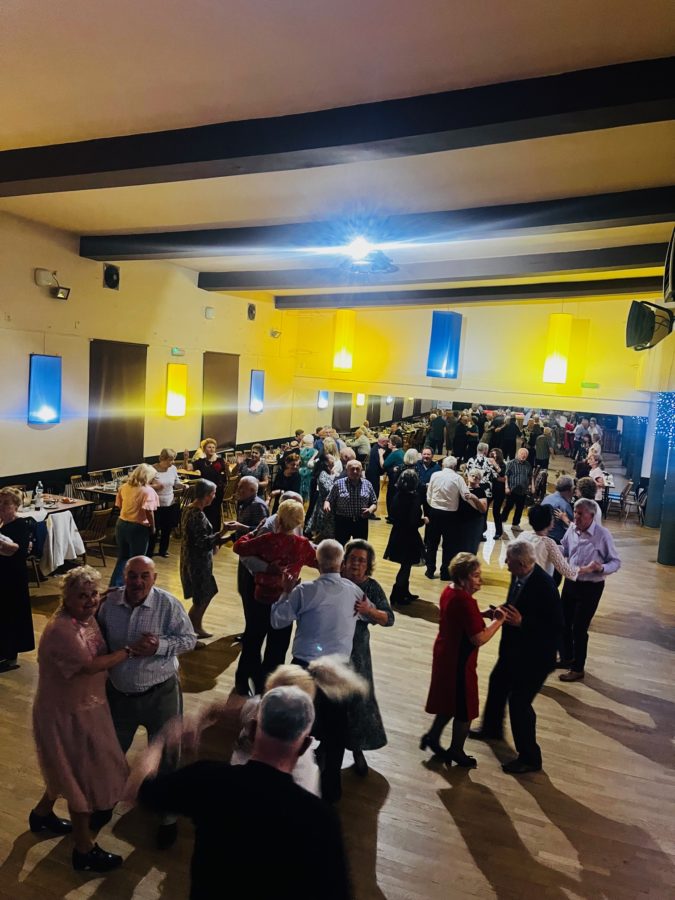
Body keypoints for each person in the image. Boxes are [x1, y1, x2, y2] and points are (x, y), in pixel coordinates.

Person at [130, 687, 353, 900]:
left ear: (253, 730)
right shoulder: (321, 819)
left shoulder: (209, 779)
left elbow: (140, 790)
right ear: (305, 746)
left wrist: (159, 743)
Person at [30, 566, 137, 872]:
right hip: (64, 714)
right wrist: (130, 651)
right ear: (66, 598)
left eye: (93, 594)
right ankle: (83, 850)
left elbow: (97, 601)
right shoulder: (62, 630)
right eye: (82, 596)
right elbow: (91, 665)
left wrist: (107, 594)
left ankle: (41, 815)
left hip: (87, 706)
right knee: (82, 777)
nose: (90, 601)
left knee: (64, 769)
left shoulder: (85, 615)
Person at [97, 555, 196, 848]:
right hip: (119, 695)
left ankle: (167, 817)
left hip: (161, 694)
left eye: (144, 576)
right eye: (132, 575)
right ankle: (105, 802)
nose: (138, 582)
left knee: (167, 756)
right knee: (112, 753)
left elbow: (189, 640)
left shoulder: (168, 604)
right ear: (124, 576)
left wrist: (159, 646)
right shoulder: (109, 604)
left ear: (154, 579)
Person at [270, 539, 364, 801]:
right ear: (341, 563)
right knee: (335, 732)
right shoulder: (355, 592)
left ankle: (292, 782)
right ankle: (331, 790)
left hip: (304, 668)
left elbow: (277, 621)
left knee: (297, 726)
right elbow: (365, 614)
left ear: (317, 562)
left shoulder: (305, 591)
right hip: (338, 670)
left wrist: (285, 592)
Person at [470, 542, 563, 774]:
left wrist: (523, 622)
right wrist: (500, 611)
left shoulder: (545, 586)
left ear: (521, 564)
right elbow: (516, 603)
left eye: (508, 560)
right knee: (497, 682)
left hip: (536, 657)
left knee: (519, 703)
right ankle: (491, 728)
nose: (505, 563)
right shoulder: (520, 574)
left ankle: (530, 757)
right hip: (514, 650)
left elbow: (555, 627)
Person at [422, 553, 505, 766]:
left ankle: (433, 736)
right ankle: (456, 750)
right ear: (462, 578)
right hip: (459, 660)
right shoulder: (465, 601)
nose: (480, 580)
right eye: (475, 576)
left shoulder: (449, 591)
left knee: (449, 701)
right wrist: (498, 621)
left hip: (446, 653)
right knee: (465, 708)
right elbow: (479, 638)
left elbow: (459, 617)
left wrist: (481, 614)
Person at [234, 499, 318, 693]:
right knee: (277, 648)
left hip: (260, 599)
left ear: (278, 519)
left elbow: (239, 547)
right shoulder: (302, 545)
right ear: (299, 522)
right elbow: (318, 561)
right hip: (286, 601)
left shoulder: (266, 540)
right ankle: (269, 688)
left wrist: (255, 531)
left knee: (253, 641)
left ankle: (243, 682)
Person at [342, 540, 394, 775]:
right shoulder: (335, 580)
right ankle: (325, 744)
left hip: (357, 652)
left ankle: (357, 749)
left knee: (358, 699)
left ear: (368, 565)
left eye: (361, 560)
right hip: (332, 649)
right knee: (328, 697)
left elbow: (389, 618)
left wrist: (369, 611)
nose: (356, 564)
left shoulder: (371, 587)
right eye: (352, 558)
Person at [558, 499, 621, 682]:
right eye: (575, 512)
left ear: (591, 515)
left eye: (580, 513)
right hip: (571, 582)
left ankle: (578, 668)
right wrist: (550, 547)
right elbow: (565, 549)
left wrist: (601, 568)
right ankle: (567, 658)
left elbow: (616, 562)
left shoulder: (603, 534)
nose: (575, 516)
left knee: (579, 628)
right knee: (564, 623)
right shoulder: (571, 529)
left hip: (591, 587)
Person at [180, 478, 230, 638]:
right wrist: (223, 533)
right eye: (213, 494)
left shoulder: (189, 509)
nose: (214, 497)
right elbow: (203, 543)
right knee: (203, 596)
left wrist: (221, 539)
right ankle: (193, 628)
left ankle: (194, 626)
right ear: (207, 495)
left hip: (190, 558)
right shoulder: (197, 515)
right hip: (197, 562)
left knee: (205, 593)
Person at [425, 456, 482, 580]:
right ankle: (445, 573)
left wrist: (433, 505)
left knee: (432, 543)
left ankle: (430, 570)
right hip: (450, 515)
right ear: (455, 467)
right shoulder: (458, 478)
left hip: (434, 512)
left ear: (443, 465)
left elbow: (429, 495)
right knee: (448, 545)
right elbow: (466, 495)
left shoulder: (435, 475)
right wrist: (478, 507)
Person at [0, 486, 34, 672]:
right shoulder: (2, 524)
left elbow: (19, 551)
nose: (1, 506)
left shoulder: (20, 525)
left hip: (13, 578)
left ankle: (10, 656)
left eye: (6, 503)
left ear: (16, 506)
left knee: (11, 615)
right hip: (3, 575)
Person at [110, 463, 159, 587]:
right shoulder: (147, 491)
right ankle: (133, 587)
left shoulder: (124, 487)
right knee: (137, 561)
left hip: (121, 524)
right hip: (138, 527)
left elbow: (120, 505)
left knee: (122, 558)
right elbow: (149, 512)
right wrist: (153, 527)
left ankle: (115, 587)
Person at [384, 469, 427, 605]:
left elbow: (393, 515)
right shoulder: (413, 498)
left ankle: (403, 592)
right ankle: (397, 595)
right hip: (408, 536)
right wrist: (423, 521)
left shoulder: (397, 495)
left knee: (405, 566)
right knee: (406, 566)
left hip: (397, 533)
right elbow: (413, 522)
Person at [324, 459, 378, 545]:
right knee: (341, 546)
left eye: (357, 469)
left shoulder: (367, 484)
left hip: (361, 521)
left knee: (360, 547)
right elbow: (329, 499)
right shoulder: (338, 484)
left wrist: (370, 510)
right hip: (343, 521)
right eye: (352, 469)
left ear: (361, 470)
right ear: (347, 470)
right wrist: (327, 505)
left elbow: (374, 503)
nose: (355, 471)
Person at [189, 438, 228, 531]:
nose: (212, 449)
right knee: (204, 512)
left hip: (216, 492)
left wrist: (228, 468)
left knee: (215, 513)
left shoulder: (220, 461)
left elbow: (227, 475)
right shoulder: (200, 462)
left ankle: (215, 533)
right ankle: (204, 532)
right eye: (209, 447)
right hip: (204, 492)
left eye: (213, 447)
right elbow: (189, 468)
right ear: (204, 449)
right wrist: (186, 458)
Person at [148, 448, 182, 558]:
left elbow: (176, 483)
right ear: (163, 459)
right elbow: (145, 486)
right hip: (155, 504)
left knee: (167, 529)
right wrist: (156, 486)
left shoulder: (173, 469)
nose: (172, 462)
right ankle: (149, 552)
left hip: (169, 502)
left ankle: (163, 550)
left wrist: (182, 485)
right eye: (170, 460)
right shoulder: (152, 469)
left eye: (173, 459)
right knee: (154, 529)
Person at [457, 471, 488, 554]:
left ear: (480, 480)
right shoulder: (462, 489)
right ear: (468, 476)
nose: (474, 477)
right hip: (461, 522)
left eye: (477, 477)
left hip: (474, 523)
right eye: (472, 475)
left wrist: (474, 498)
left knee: (471, 549)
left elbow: (483, 509)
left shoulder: (480, 491)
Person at [307, 453, 336, 539]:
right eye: (331, 458)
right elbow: (329, 489)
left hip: (327, 505)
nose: (334, 460)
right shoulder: (323, 474)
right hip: (325, 506)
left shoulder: (328, 473)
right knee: (324, 534)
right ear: (326, 462)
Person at [501, 448, 532, 529]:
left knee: (520, 508)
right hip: (512, 490)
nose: (523, 456)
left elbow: (530, 476)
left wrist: (531, 485)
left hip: (523, 491)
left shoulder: (528, 464)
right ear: (518, 454)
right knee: (508, 507)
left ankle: (515, 524)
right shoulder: (511, 463)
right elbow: (506, 476)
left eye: (525, 454)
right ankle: (501, 521)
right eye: (522, 454)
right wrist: (506, 487)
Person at [541, 474, 575, 546]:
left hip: (544, 536)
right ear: (570, 489)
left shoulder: (547, 498)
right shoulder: (564, 505)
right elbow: (571, 529)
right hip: (558, 540)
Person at [365, 434, 389, 519]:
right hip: (372, 474)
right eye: (387, 441)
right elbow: (381, 465)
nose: (388, 443)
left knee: (373, 493)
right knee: (374, 493)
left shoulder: (376, 447)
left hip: (372, 473)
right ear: (383, 442)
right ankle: (370, 513)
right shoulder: (378, 450)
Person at [487, 448, 507, 538]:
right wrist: (497, 478)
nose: (492, 455)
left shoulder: (503, 464)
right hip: (489, 490)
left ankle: (498, 532)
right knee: (484, 509)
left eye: (494, 453)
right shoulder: (487, 463)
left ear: (499, 455)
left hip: (499, 491)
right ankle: (482, 529)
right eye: (491, 453)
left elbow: (503, 475)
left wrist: (494, 464)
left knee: (496, 511)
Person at [383, 434, 404, 519]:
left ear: (394, 445)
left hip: (394, 479)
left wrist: (380, 455)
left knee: (390, 497)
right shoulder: (401, 451)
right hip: (399, 479)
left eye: (389, 442)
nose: (388, 443)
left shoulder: (394, 453)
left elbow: (384, 465)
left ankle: (391, 517)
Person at [298, 434, 318, 501]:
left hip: (301, 470)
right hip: (311, 471)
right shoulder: (315, 451)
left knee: (301, 486)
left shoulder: (301, 450)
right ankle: (308, 500)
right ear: (312, 441)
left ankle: (300, 499)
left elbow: (299, 462)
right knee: (309, 487)